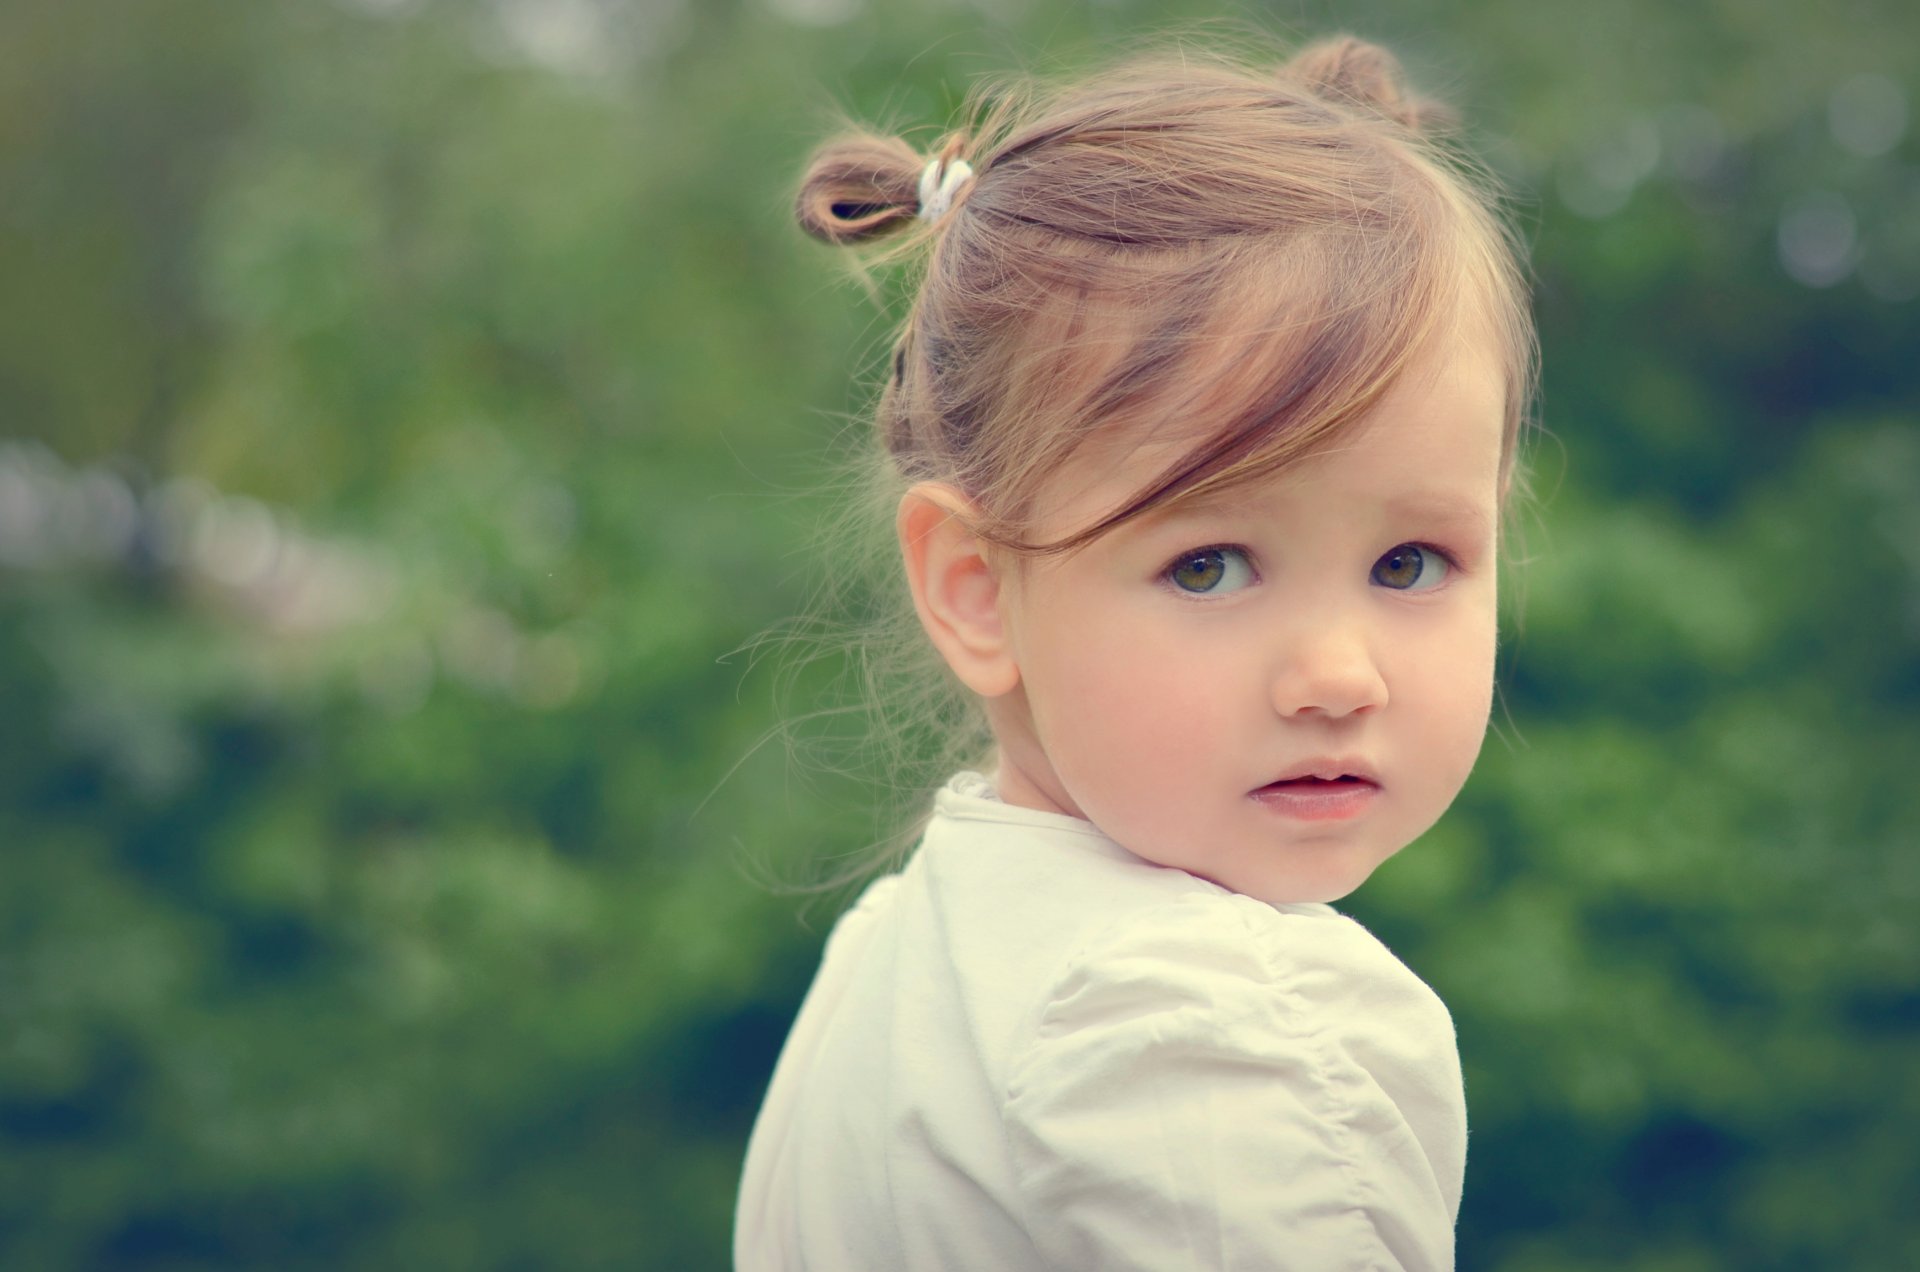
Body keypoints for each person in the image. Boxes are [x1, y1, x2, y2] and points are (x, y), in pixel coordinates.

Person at [736, 32, 1536, 1272]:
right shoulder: (1214, 1028)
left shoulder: (893, 964)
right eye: (1208, 566)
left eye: (1409, 565)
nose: (1338, 675)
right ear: (977, 589)